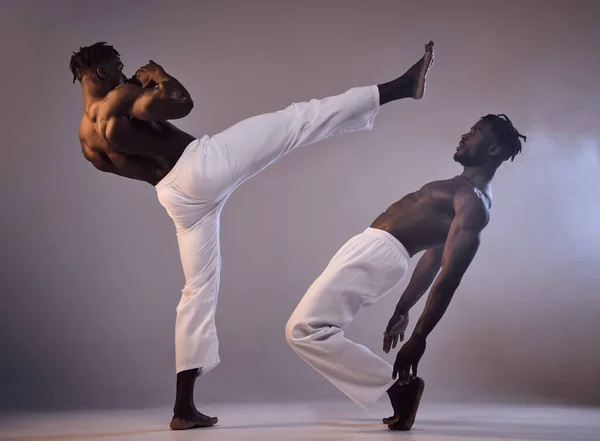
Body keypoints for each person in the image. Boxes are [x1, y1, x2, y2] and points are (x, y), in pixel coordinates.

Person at [70, 40, 435, 430]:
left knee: (197, 291)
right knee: (297, 121)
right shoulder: (120, 96)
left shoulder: (86, 141)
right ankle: (402, 86)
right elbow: (181, 102)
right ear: (101, 73)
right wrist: (157, 74)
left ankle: (183, 409)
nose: (126, 74)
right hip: (201, 166)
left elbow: (133, 159)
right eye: (119, 67)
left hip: (175, 198)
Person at [285, 111, 527, 430]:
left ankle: (398, 386)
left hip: (380, 250)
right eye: (469, 129)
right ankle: (395, 387)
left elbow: (449, 276)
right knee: (308, 328)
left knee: (304, 329)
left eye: (476, 133)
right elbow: (432, 258)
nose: (465, 135)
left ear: (494, 149)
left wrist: (419, 339)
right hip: (373, 248)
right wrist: (403, 309)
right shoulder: (462, 190)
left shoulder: (472, 201)